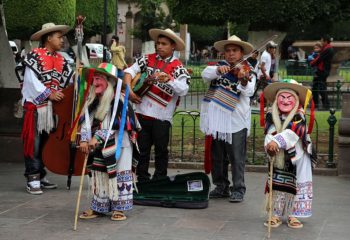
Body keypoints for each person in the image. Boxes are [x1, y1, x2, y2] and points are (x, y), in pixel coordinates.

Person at [123, 28, 190, 182]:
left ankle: (160, 179)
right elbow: (129, 72)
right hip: (141, 112)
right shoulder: (147, 59)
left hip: (162, 117)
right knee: (142, 149)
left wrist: (169, 80)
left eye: (164, 44)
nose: (159, 46)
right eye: (158, 43)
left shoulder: (178, 67)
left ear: (172, 46)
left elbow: (184, 89)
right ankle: (142, 179)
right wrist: (129, 91)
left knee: (161, 150)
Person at [78, 63, 140, 221]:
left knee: (121, 173)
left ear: (109, 82)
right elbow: (85, 120)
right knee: (99, 174)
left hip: (121, 144)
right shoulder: (92, 100)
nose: (95, 82)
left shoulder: (118, 100)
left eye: (99, 79)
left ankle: (120, 208)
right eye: (93, 79)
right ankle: (99, 207)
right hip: (100, 144)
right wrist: (84, 139)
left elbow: (115, 124)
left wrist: (96, 137)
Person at [200, 35, 256, 202]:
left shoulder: (248, 70)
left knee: (236, 157)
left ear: (241, 53)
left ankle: (238, 189)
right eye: (228, 51)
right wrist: (218, 70)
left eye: (235, 51)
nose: (231, 54)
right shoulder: (218, 67)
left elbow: (249, 91)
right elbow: (205, 74)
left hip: (236, 120)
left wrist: (243, 80)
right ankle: (220, 186)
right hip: (217, 120)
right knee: (217, 156)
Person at [20, 23, 74, 194]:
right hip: (35, 107)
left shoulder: (62, 60)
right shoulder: (34, 56)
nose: (62, 40)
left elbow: (68, 81)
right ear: (48, 38)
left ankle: (41, 175)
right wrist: (48, 93)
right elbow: (30, 81)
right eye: (59, 37)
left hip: (51, 110)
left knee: (45, 143)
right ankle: (32, 177)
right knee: (34, 143)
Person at [261, 79, 316, 229]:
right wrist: (269, 145)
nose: (285, 100)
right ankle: (276, 214)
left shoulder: (299, 116)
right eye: (282, 97)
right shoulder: (271, 115)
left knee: (299, 182)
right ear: (277, 99)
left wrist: (276, 142)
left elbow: (292, 132)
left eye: (289, 97)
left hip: (298, 156)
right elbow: (268, 133)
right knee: (277, 182)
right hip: (278, 157)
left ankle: (294, 214)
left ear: (296, 100)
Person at [310, 35, 334, 109]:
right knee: (315, 87)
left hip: (322, 71)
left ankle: (326, 105)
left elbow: (320, 58)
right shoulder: (326, 48)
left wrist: (312, 63)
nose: (321, 42)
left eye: (322, 41)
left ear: (325, 41)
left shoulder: (328, 49)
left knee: (321, 88)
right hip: (321, 70)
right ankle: (315, 104)